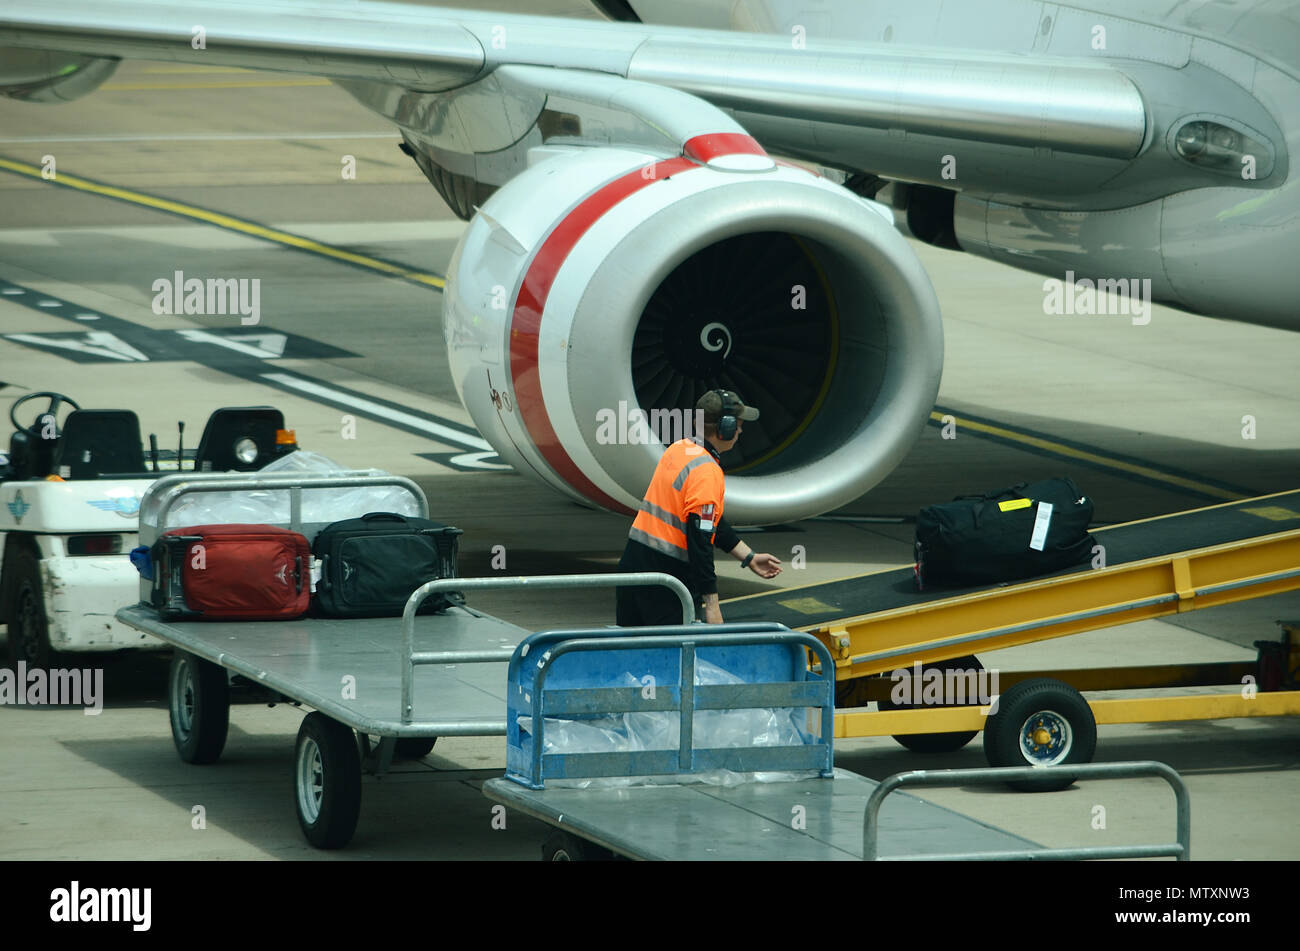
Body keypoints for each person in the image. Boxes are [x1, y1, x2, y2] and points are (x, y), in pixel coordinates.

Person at [616, 389, 782, 626]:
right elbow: (700, 540)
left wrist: (748, 556)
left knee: (630, 655)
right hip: (666, 582)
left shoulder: (678, 449)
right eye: (739, 424)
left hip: (633, 568)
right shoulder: (706, 471)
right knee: (674, 659)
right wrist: (712, 605)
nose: (741, 431)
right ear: (726, 428)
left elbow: (708, 520)